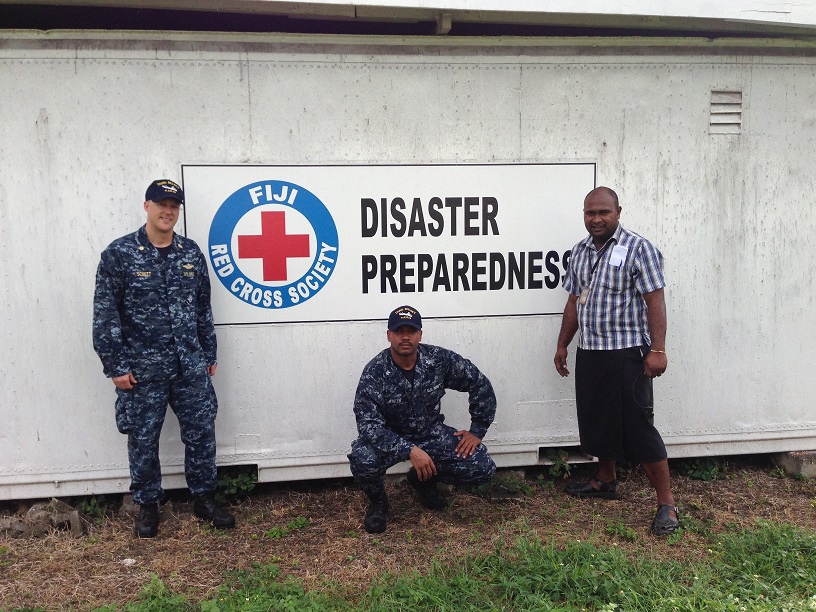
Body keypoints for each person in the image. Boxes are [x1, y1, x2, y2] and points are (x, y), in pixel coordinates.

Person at [93, 178, 235, 538]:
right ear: (146, 206)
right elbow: (105, 314)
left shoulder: (191, 254)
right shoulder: (119, 255)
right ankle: (148, 506)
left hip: (190, 365)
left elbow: (203, 307)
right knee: (143, 439)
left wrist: (209, 352)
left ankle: (204, 499)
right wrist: (116, 365)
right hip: (143, 370)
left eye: (173, 205)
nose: (167, 211)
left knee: (202, 434)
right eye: (161, 204)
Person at [553, 186, 679, 536]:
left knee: (638, 426)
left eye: (603, 212)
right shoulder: (579, 252)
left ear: (618, 212)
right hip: (591, 350)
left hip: (627, 353)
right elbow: (574, 301)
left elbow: (655, 301)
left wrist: (658, 349)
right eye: (590, 213)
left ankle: (667, 503)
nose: (596, 219)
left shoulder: (639, 249)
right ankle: (605, 479)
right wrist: (563, 344)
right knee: (597, 418)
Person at [348, 305, 497, 534]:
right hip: (391, 437)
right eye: (399, 331)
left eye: (411, 330)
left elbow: (478, 382)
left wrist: (477, 429)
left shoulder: (438, 360)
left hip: (430, 433)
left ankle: (424, 482)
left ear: (420, 334)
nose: (405, 337)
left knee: (481, 466)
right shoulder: (375, 372)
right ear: (389, 335)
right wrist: (409, 450)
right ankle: (378, 503)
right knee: (362, 458)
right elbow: (369, 425)